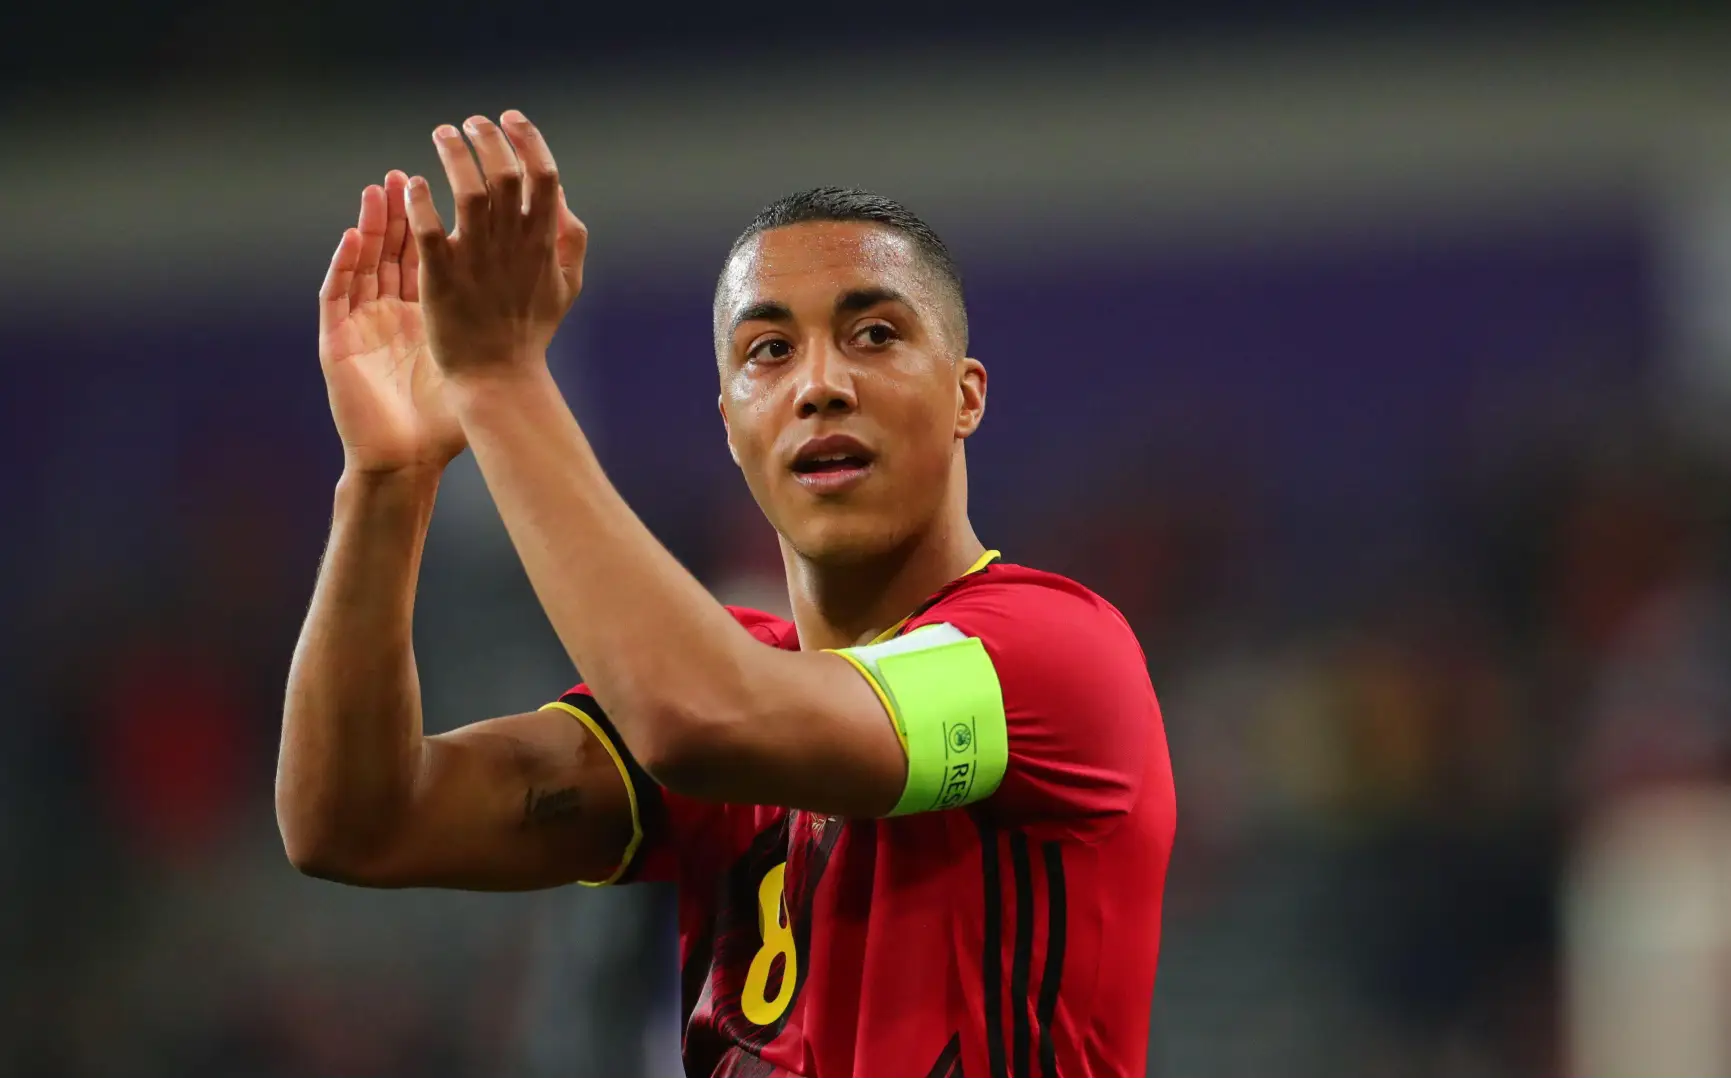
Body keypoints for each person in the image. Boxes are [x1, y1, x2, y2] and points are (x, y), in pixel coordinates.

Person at [277, 110, 1175, 1079]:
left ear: (966, 395)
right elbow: (356, 823)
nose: (820, 385)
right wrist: (387, 481)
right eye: (768, 352)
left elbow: (697, 717)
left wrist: (499, 382)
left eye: (874, 334)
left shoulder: (1050, 654)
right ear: (730, 420)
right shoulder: (739, 682)